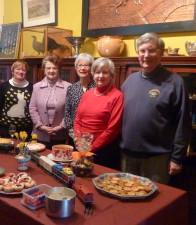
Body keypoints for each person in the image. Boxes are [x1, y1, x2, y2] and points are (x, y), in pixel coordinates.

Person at [120, 33, 191, 184]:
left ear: (161, 52)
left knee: (154, 204)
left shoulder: (175, 82)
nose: (146, 55)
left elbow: (183, 123)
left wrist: (177, 158)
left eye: (151, 50)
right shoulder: (129, 81)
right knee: (127, 200)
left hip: (157, 159)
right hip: (128, 157)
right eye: (142, 50)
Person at [74, 57, 123, 169]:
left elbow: (113, 129)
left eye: (105, 72)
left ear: (111, 75)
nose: (100, 76)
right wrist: (78, 142)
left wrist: (91, 148)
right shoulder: (87, 94)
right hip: (82, 148)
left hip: (104, 151)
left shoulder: (117, 96)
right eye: (97, 72)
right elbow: (77, 120)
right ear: (93, 74)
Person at [29, 55, 71, 149]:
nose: (51, 71)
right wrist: (40, 126)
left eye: (54, 68)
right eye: (48, 68)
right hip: (40, 134)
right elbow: (32, 108)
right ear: (44, 69)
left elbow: (70, 111)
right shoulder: (37, 87)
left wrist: (61, 126)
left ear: (59, 69)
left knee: (58, 161)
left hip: (60, 134)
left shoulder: (68, 87)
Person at [0, 60, 33, 138]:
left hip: (26, 129)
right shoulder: (4, 86)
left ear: (26, 72)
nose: (20, 72)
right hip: (6, 128)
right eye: (18, 69)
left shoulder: (31, 87)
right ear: (12, 71)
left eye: (23, 70)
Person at [65, 53, 95, 145]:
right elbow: (67, 113)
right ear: (76, 68)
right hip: (74, 136)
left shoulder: (97, 88)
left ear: (91, 68)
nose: (82, 68)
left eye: (86, 65)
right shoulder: (71, 88)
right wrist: (74, 134)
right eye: (80, 65)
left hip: (93, 135)